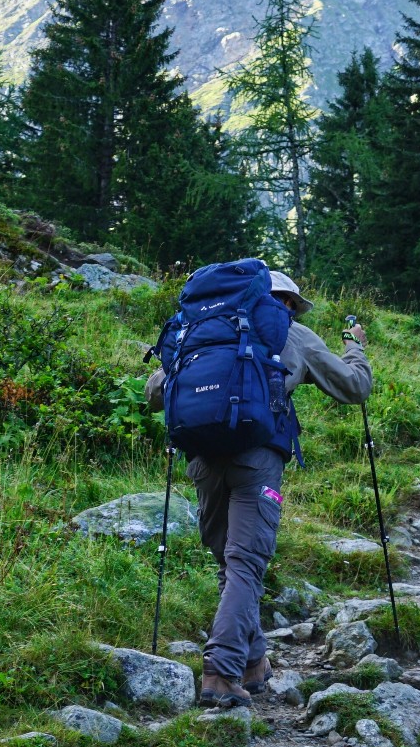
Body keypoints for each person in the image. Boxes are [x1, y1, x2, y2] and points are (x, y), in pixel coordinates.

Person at [146, 269, 371, 707]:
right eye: (291, 305)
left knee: (230, 564)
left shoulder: (202, 327)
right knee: (246, 563)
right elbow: (355, 387)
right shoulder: (293, 332)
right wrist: (355, 345)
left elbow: (155, 391)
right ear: (285, 302)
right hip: (257, 457)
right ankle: (220, 673)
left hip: (202, 458)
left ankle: (253, 661)